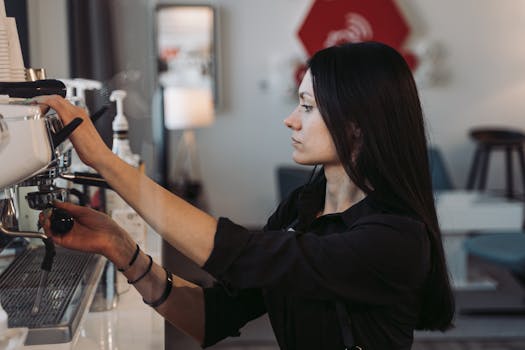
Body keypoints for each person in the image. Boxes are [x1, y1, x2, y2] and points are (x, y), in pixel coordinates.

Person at [38, 41, 454, 349]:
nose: (290, 120)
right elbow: (213, 315)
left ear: (355, 126)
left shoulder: (394, 238)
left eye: (308, 107)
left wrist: (107, 162)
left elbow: (237, 252)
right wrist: (120, 247)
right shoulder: (303, 207)